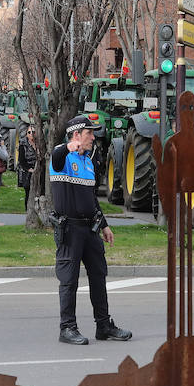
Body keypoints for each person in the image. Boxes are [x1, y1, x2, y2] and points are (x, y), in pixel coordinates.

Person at [51, 115, 132, 345]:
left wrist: (104, 225)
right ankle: (67, 328)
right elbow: (56, 156)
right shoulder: (62, 156)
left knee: (99, 276)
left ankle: (103, 325)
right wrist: (68, 147)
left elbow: (92, 200)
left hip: (90, 229)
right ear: (76, 134)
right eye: (89, 133)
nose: (93, 137)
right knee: (69, 280)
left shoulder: (87, 161)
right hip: (70, 229)